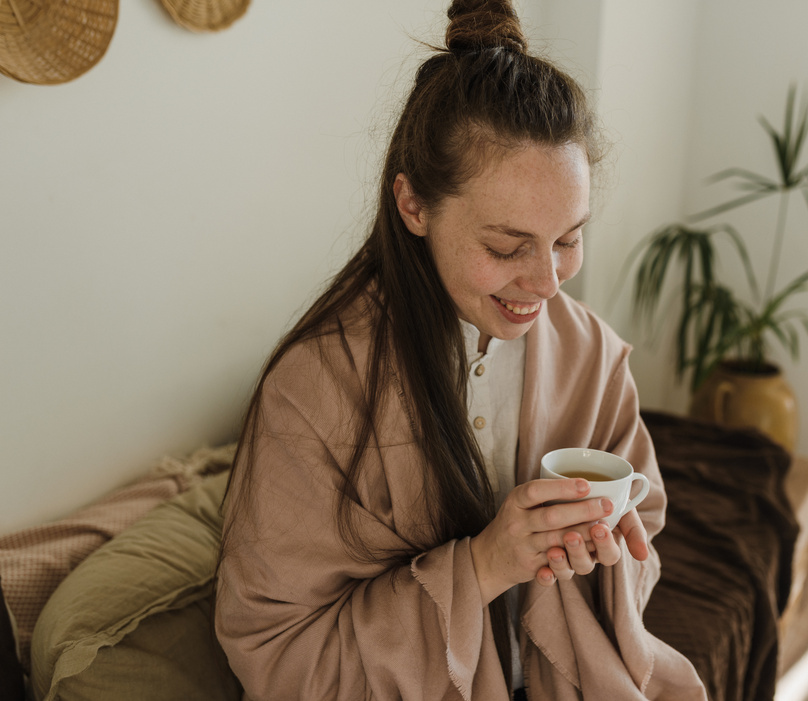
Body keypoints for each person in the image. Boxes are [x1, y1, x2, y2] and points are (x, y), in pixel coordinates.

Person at [214, 1, 707, 699]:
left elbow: (644, 520)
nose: (547, 282)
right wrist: (482, 565)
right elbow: (278, 653)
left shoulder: (593, 356)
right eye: (506, 247)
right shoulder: (313, 390)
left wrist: (606, 554)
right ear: (413, 206)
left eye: (567, 238)